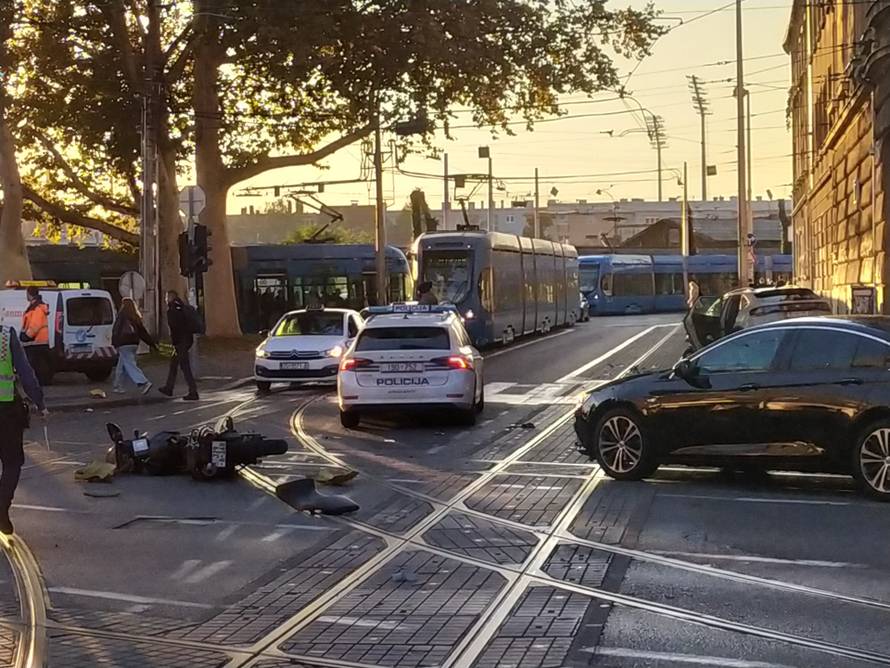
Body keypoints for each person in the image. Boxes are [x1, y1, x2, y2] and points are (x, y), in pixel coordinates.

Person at [0, 323, 47, 535]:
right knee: (12, 463)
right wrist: (39, 401)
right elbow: (25, 372)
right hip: (7, 411)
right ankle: (1, 509)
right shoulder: (5, 336)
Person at [158, 291, 199, 401]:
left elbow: (174, 328)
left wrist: (174, 342)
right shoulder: (183, 307)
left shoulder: (172, 310)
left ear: (170, 298)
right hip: (187, 339)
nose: (165, 299)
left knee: (185, 367)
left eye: (166, 297)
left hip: (180, 342)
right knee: (174, 365)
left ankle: (193, 391)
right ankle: (169, 387)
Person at [112, 298, 157, 395]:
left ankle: (143, 382)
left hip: (123, 343)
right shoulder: (135, 316)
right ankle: (117, 385)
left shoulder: (121, 316)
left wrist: (114, 343)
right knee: (122, 364)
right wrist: (152, 344)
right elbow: (143, 332)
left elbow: (116, 329)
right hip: (134, 343)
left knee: (129, 364)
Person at [20, 287, 50, 383]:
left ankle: (37, 383)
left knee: (36, 365)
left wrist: (26, 336)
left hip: (36, 342)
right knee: (38, 366)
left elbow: (35, 326)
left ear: (29, 294)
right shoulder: (35, 307)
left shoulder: (36, 308)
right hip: (38, 342)